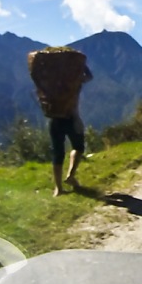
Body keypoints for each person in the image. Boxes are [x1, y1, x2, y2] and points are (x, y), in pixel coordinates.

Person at [50, 65, 93, 197]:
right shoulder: (75, 81)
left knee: (58, 154)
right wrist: (82, 64)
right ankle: (70, 175)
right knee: (78, 147)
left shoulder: (50, 83)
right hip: (71, 119)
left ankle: (58, 189)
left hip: (54, 120)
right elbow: (89, 76)